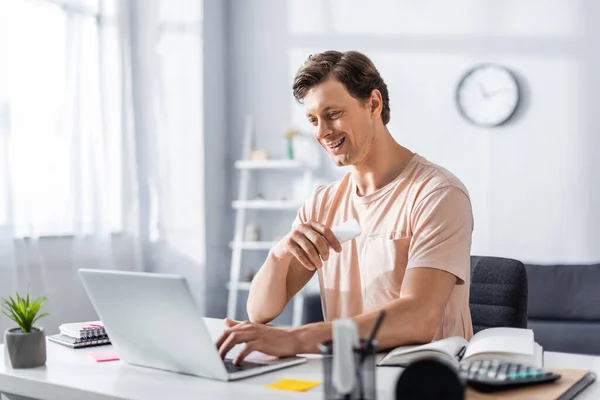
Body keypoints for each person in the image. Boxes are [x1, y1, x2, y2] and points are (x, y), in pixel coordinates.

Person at [216, 50, 474, 365]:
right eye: (313, 120)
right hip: (348, 378)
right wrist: (278, 254)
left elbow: (417, 318)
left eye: (333, 113)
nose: (322, 132)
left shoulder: (437, 194)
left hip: (423, 381)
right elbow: (260, 310)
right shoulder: (322, 203)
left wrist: (294, 338)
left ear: (373, 104)